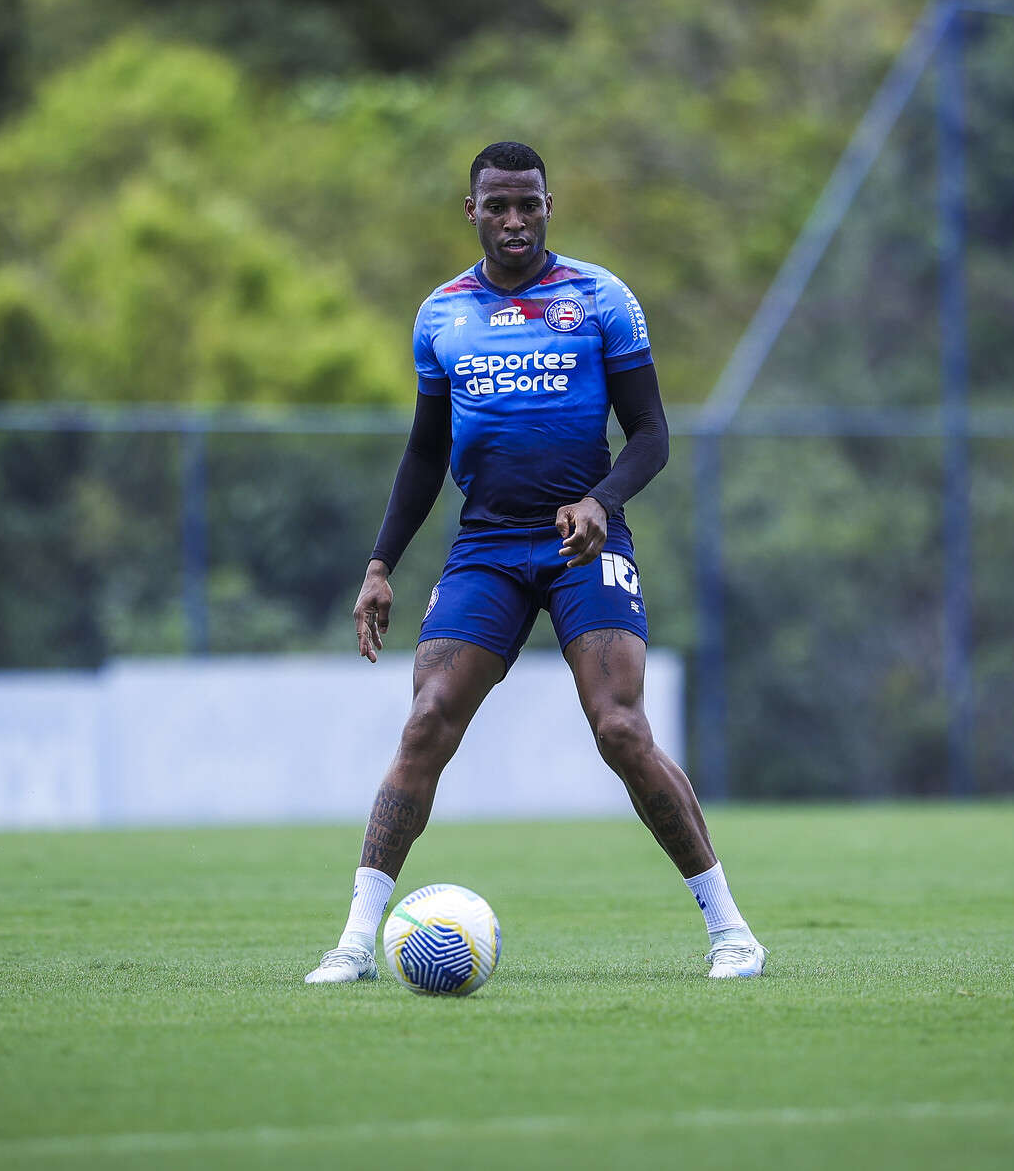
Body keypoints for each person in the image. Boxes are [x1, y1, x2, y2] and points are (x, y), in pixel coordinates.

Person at [305, 141, 765, 983]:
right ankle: (352, 943)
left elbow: (653, 434)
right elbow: (421, 454)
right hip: (485, 542)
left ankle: (730, 929)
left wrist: (601, 500)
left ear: (549, 206)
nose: (513, 220)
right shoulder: (441, 313)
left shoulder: (600, 298)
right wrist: (379, 564)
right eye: (496, 205)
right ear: (471, 210)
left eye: (528, 204)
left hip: (581, 540)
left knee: (620, 729)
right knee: (425, 722)